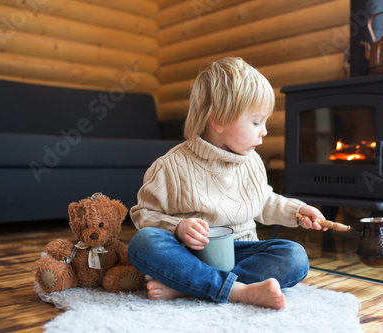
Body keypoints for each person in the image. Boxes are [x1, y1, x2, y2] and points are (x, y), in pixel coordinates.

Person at [127, 57, 326, 310]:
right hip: (189, 255)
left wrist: (297, 212)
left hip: (240, 252)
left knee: (295, 256)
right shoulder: (170, 167)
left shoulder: (252, 161)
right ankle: (237, 290)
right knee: (143, 242)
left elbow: (262, 200)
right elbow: (144, 214)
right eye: (256, 122)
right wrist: (178, 228)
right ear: (218, 119)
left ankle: (188, 285)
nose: (264, 131)